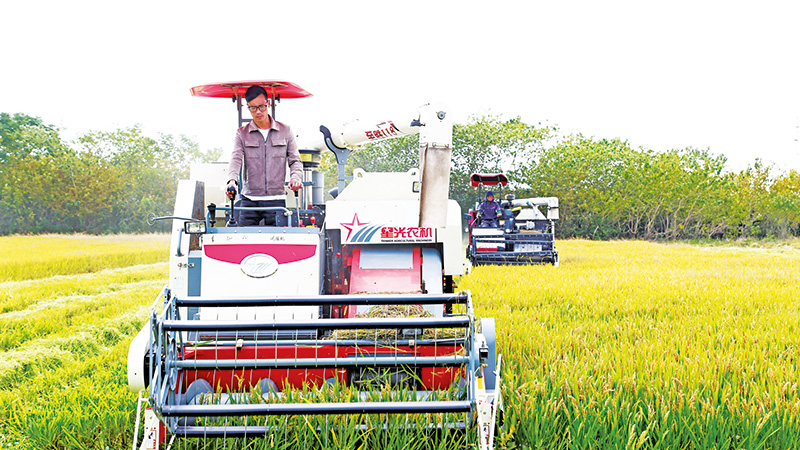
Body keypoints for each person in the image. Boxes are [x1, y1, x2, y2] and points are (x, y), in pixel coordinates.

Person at [226, 85, 303, 226]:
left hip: (277, 200)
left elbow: (295, 160)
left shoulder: (285, 131)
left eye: (261, 106)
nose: (258, 111)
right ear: (247, 107)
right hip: (249, 199)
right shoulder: (242, 133)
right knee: (245, 242)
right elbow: (236, 158)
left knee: (277, 243)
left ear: (268, 103)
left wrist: (295, 178)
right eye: (253, 108)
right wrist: (232, 180)